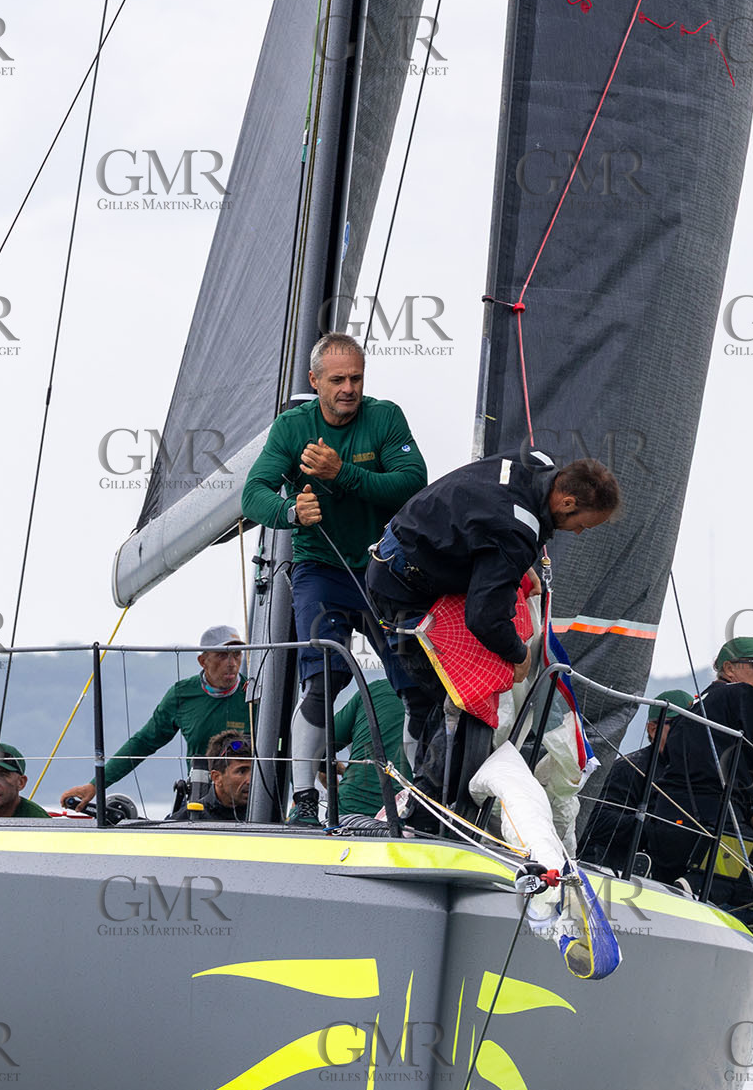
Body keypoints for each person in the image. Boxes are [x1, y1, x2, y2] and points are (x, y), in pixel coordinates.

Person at [241, 332, 427, 825]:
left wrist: (342, 472)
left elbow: (413, 484)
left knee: (414, 683)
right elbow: (252, 494)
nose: (349, 388)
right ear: (314, 381)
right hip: (321, 570)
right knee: (326, 675)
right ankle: (303, 801)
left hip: (385, 572)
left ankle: (417, 803)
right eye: (338, 379)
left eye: (357, 378)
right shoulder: (292, 427)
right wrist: (289, 511)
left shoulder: (385, 417)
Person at [366, 451, 621, 796]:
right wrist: (519, 656)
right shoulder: (516, 531)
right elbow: (484, 617)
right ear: (567, 501)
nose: (577, 533)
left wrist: (517, 563)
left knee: (451, 695)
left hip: (411, 553)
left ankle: (428, 796)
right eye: (582, 524)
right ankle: (425, 806)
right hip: (400, 594)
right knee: (458, 697)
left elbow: (488, 519)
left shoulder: (536, 462)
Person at [648, 635, 753, 1059]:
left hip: (676, 825)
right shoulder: (738, 695)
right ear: (729, 668)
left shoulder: (697, 708)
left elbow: (703, 770)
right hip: (710, 829)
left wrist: (749, 809)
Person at [60, 624, 248, 811]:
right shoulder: (182, 694)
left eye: (237, 654)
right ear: (202, 661)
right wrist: (95, 785)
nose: (231, 663)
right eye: (222, 655)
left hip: (253, 798)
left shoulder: (254, 693)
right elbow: (143, 742)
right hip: (202, 798)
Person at [578, 689, 694, 873]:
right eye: (681, 724)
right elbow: (596, 820)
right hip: (617, 872)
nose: (689, 732)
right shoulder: (629, 768)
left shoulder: (694, 774)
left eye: (695, 726)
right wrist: (655, 829)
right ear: (653, 729)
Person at [322, 679, 411, 820]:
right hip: (416, 816)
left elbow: (320, 747)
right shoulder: (450, 695)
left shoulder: (374, 690)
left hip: (351, 810)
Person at [199, 731, 252, 822]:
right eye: (242, 771)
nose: (250, 780)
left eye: (254, 771)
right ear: (216, 777)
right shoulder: (184, 822)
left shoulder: (273, 817)